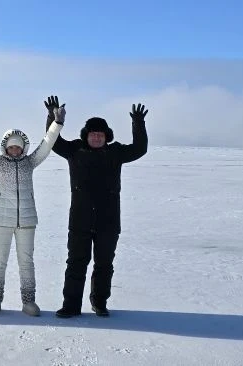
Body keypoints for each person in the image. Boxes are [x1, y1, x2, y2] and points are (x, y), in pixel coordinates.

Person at [42, 95, 148, 318]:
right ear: (86, 135)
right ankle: (71, 305)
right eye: (93, 134)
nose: (97, 138)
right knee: (76, 264)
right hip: (80, 220)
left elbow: (139, 148)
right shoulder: (75, 151)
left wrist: (138, 124)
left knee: (104, 264)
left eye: (100, 135)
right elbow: (53, 142)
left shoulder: (115, 153)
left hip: (108, 222)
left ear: (106, 136)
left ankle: (99, 302)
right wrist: (52, 118)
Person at [0, 101, 66, 316]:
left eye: (18, 146)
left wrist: (57, 123)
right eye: (11, 146)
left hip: (27, 220)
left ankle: (28, 301)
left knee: (26, 262)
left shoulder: (30, 162)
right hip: (1, 219)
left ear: (23, 147)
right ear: (5, 147)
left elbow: (46, 145)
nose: (14, 149)